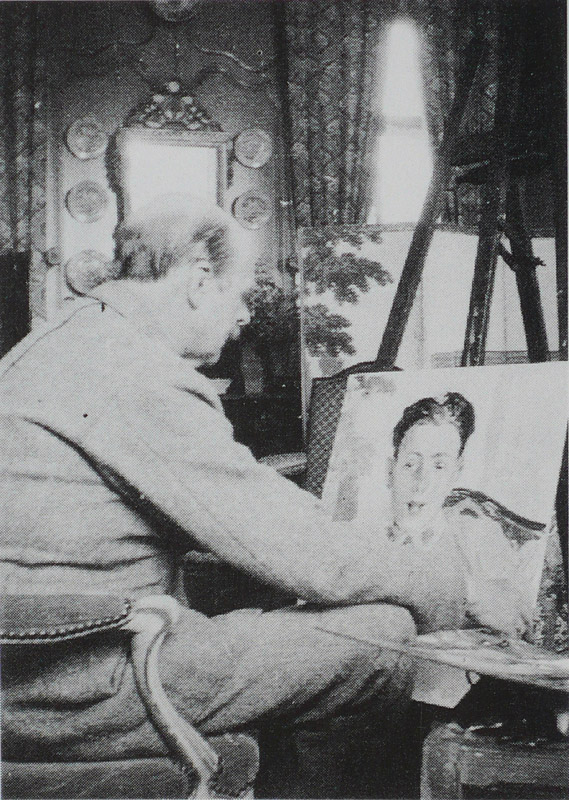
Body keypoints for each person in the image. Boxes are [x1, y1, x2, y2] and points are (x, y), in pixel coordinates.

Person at [0, 196, 521, 798]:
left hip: (40, 667)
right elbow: (303, 551)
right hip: (85, 684)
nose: (244, 313)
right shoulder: (134, 372)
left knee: (311, 633)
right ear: (199, 280)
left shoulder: (62, 341)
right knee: (379, 640)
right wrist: (461, 588)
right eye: (239, 293)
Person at [383, 393, 534, 635]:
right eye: (410, 464)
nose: (422, 483)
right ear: (390, 471)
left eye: (439, 466)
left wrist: (464, 593)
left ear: (456, 472)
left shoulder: (476, 535)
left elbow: (518, 618)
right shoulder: (367, 539)